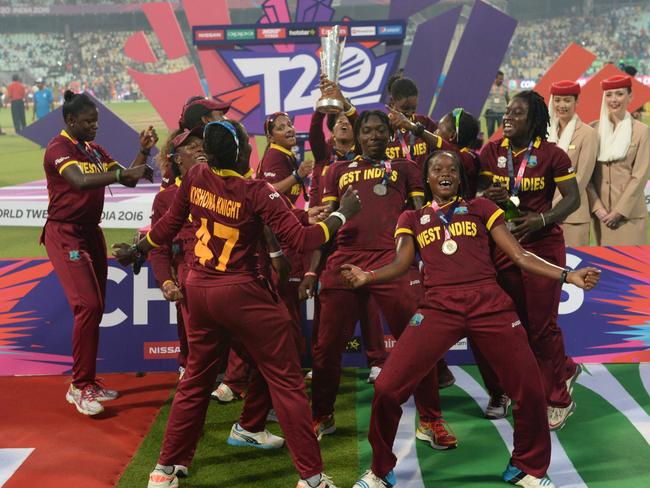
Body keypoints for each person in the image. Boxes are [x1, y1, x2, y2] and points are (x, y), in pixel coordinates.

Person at [112, 120, 361, 488]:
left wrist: (138, 249)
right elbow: (304, 239)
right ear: (243, 152)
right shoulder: (256, 191)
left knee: (195, 381)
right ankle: (311, 478)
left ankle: (164, 470)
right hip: (243, 293)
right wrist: (344, 213)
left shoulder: (196, 177)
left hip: (200, 291)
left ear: (208, 155)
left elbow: (164, 228)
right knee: (287, 383)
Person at [344, 150, 600, 488]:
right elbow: (402, 263)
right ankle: (380, 470)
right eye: (437, 169)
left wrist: (569, 276)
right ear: (428, 177)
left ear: (461, 177)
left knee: (529, 390)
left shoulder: (482, 209)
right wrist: (369, 277)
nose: (445, 173)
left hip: (489, 305)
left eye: (452, 168)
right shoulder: (411, 218)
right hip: (438, 308)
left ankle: (528, 467)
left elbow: (520, 255)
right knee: (389, 387)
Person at [312, 110, 457, 449]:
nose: (374, 136)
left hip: (393, 259)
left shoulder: (406, 169)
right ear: (358, 136)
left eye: (380, 131)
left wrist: (428, 259)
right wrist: (312, 269)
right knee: (326, 347)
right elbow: (328, 226)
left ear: (390, 136)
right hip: (345, 260)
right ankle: (321, 414)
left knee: (420, 342)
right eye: (368, 131)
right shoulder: (336, 171)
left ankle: (431, 419)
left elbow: (425, 215)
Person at [41, 90, 156, 416]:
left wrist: (143, 152)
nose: (94, 126)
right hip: (64, 233)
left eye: (97, 121)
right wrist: (121, 174)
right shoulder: (58, 148)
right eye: (89, 122)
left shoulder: (91, 149)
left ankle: (87, 381)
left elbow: (129, 178)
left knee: (97, 306)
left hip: (91, 231)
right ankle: (79, 386)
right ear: (71, 121)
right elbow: (78, 181)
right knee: (88, 305)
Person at [477, 90, 582, 430]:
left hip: (544, 247)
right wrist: (486, 196)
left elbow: (573, 199)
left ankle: (559, 400)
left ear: (534, 121)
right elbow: (477, 193)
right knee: (519, 326)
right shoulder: (491, 152)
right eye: (507, 112)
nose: (507, 117)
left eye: (517, 113)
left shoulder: (553, 154)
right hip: (506, 247)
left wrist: (542, 219)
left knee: (542, 326)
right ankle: (565, 369)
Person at [301, 76, 387, 384]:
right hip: (325, 232)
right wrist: (324, 105)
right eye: (336, 122)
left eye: (347, 123)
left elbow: (361, 120)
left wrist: (343, 102)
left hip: (356, 234)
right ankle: (319, 360)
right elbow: (313, 130)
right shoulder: (325, 157)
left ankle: (377, 360)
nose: (343, 125)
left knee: (368, 299)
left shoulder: (362, 160)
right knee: (326, 302)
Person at [149, 127, 207, 380]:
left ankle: (234, 378)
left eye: (200, 144)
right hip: (190, 274)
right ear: (177, 158)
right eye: (190, 146)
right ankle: (190, 367)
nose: (199, 148)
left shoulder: (228, 185)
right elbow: (158, 248)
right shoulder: (166, 199)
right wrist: (167, 281)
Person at [257, 112, 316, 353]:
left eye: (290, 124)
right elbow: (270, 192)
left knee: (290, 302)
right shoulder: (274, 157)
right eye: (282, 127)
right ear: (271, 136)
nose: (290, 129)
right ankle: (290, 361)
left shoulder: (285, 154)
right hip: (280, 239)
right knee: (287, 304)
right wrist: (297, 176)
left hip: (286, 232)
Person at [588, 75, 650, 245]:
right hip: (601, 217)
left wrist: (619, 211)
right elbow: (586, 176)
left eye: (619, 94)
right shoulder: (593, 129)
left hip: (629, 217)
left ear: (630, 97)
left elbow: (640, 176)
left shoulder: (641, 132)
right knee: (603, 270)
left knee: (631, 270)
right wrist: (597, 208)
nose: (613, 100)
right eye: (609, 95)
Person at [548, 80, 599, 247]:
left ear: (577, 101)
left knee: (575, 268)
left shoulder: (588, 134)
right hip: (543, 216)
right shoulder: (544, 133)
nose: (561, 105)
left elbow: (582, 178)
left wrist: (552, 209)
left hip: (572, 215)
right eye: (557, 100)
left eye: (567, 100)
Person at [384, 73, 438, 170]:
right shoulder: (383, 127)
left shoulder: (426, 123)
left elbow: (442, 146)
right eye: (405, 108)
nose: (410, 112)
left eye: (414, 108)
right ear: (392, 102)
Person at [484, 71, 510, 137]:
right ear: (495, 78)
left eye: (502, 79)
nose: (501, 80)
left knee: (502, 131)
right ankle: (491, 145)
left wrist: (509, 110)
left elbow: (508, 99)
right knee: (490, 131)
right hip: (491, 112)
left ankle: (500, 146)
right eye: (500, 79)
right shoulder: (488, 87)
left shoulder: (505, 88)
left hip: (501, 112)